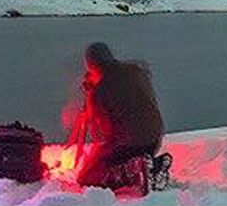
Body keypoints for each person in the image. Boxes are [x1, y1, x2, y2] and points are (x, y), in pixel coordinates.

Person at [70, 42, 165, 189]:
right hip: (154, 139)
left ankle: (129, 172)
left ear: (90, 65)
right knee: (129, 144)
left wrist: (90, 97)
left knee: (86, 178)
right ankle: (153, 165)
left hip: (130, 144)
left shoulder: (99, 91)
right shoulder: (136, 70)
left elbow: (100, 134)